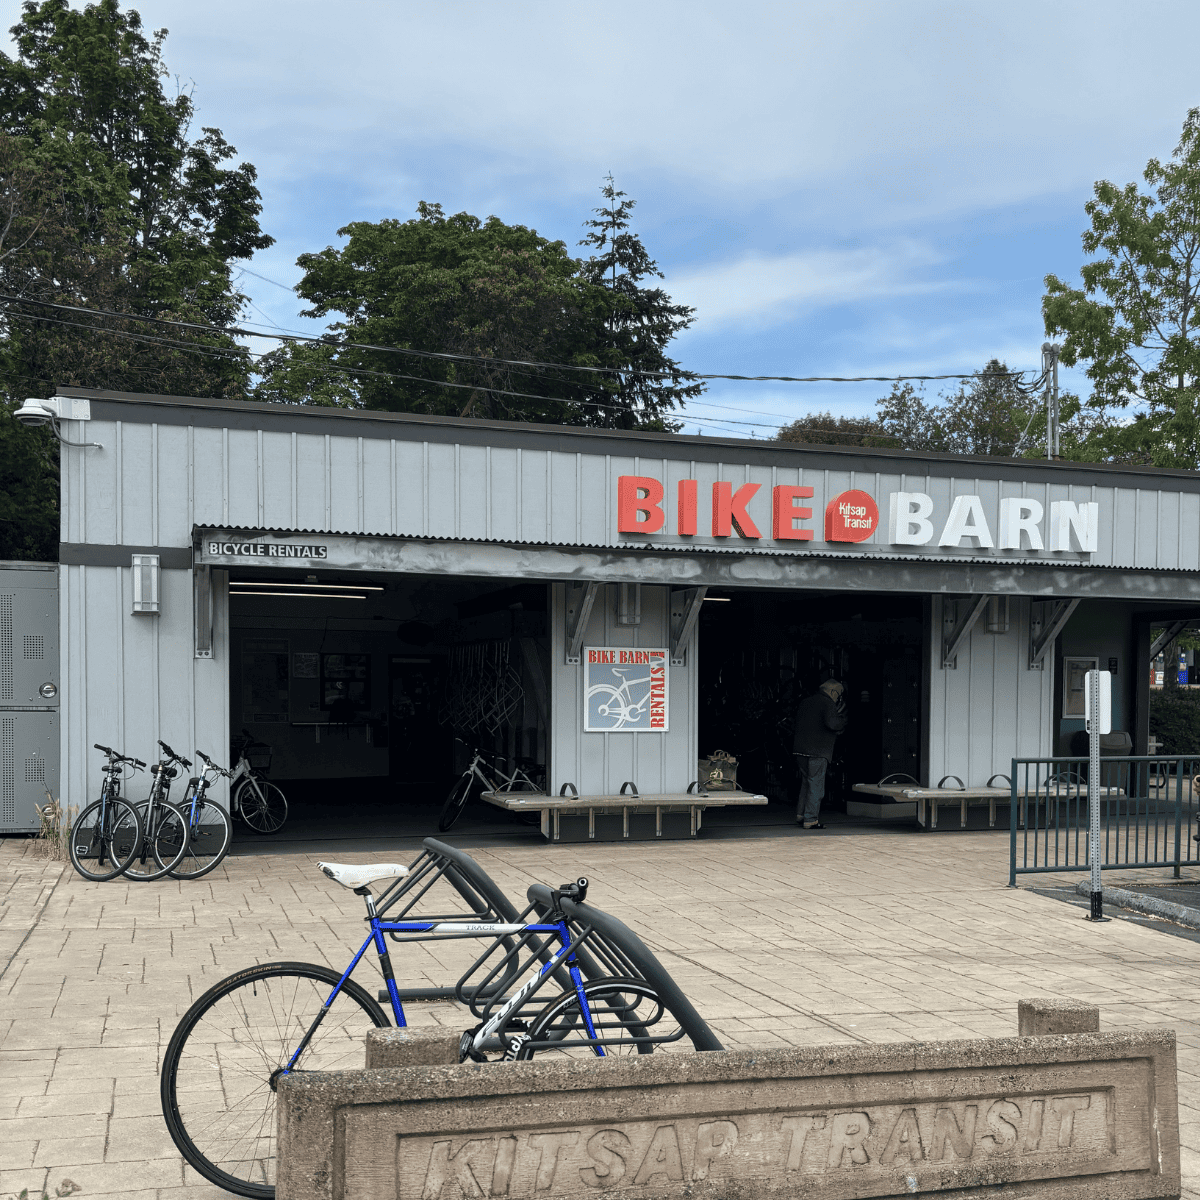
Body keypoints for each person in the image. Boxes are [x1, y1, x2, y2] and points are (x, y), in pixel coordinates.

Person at [793, 679, 848, 829]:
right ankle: (811, 819)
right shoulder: (827, 702)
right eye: (839, 694)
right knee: (816, 785)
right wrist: (842, 719)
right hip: (817, 751)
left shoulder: (806, 702)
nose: (839, 698)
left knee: (806, 783)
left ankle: (801, 815)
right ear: (833, 692)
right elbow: (832, 723)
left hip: (800, 750)